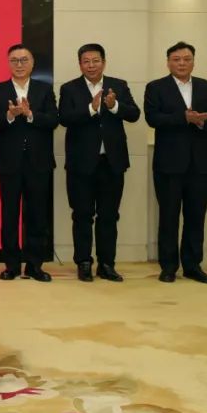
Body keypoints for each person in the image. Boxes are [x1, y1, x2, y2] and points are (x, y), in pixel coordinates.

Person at [57, 43, 141, 283]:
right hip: (81, 164)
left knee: (109, 216)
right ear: (80, 64)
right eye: (86, 61)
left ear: (104, 62)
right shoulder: (69, 88)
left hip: (111, 163)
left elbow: (134, 114)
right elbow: (64, 118)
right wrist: (91, 108)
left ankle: (107, 264)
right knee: (82, 215)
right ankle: (84, 263)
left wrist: (114, 106)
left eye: (95, 60)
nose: (91, 65)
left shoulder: (119, 85)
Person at [144, 41, 207, 284]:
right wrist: (183, 118)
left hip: (199, 164)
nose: (182, 63)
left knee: (196, 216)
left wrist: (202, 122)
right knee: (168, 216)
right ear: (168, 62)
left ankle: (193, 265)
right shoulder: (156, 87)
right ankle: (168, 266)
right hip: (168, 164)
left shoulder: (206, 87)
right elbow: (153, 118)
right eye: (176, 59)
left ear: (193, 62)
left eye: (187, 59)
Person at [0, 44, 58, 282]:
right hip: (9, 162)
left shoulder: (44, 89)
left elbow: (53, 120)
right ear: (8, 63)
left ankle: (35, 265)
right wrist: (10, 115)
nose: (19, 64)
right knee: (9, 214)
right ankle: (12, 265)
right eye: (14, 60)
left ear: (32, 63)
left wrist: (30, 115)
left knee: (37, 214)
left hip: (39, 162)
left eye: (24, 60)